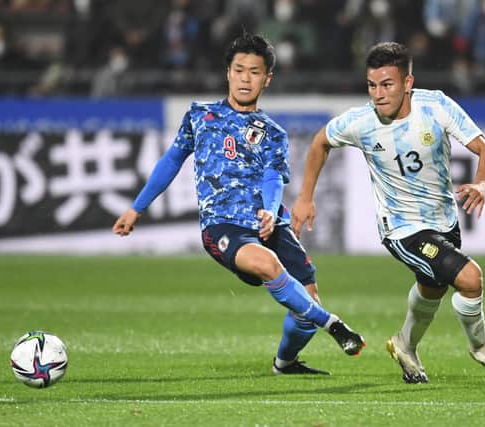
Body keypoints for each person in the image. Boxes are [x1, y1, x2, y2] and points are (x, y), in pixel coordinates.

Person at [112, 32, 365, 375]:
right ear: (228, 72)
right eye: (239, 70)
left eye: (255, 72)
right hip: (223, 225)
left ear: (267, 78)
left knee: (306, 306)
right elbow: (171, 161)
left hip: (269, 221)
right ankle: (334, 325)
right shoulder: (199, 116)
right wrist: (136, 208)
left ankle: (285, 363)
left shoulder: (272, 131)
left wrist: (269, 209)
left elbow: (273, 177)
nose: (246, 78)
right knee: (268, 265)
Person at [291, 41, 485, 383]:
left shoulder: (436, 107)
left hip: (443, 221)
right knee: (470, 279)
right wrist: (305, 197)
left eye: (387, 85)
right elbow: (320, 142)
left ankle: (405, 345)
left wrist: (482, 184)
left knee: (432, 289)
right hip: (401, 229)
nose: (378, 94)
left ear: (407, 83)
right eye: (372, 85)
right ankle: (481, 346)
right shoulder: (360, 121)